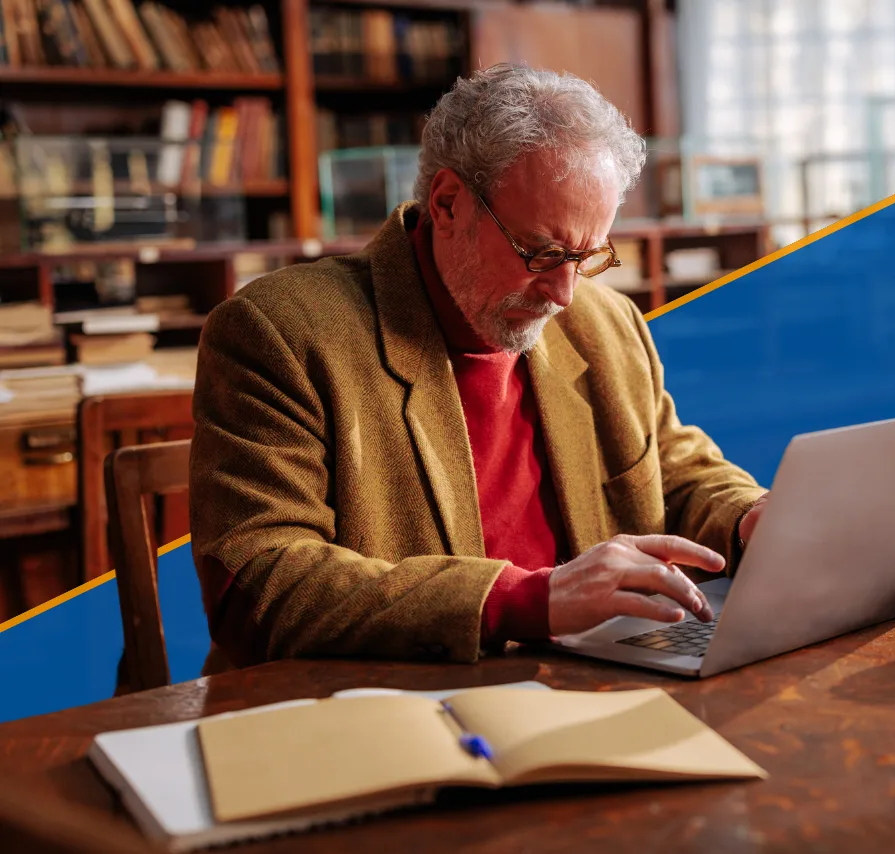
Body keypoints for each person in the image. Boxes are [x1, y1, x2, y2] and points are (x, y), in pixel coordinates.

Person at [189, 64, 769, 670]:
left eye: (587, 255)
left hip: (596, 679)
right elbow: (260, 582)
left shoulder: (608, 325)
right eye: (542, 253)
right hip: (388, 709)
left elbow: (673, 473)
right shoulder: (279, 332)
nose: (565, 294)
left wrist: (752, 519)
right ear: (447, 204)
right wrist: (529, 600)